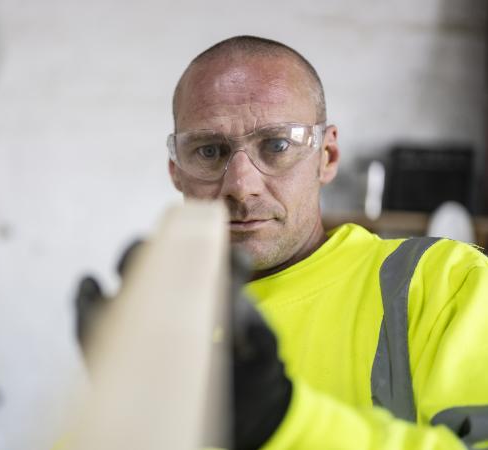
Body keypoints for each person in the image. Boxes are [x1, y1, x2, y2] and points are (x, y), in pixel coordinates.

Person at [163, 35, 488, 449]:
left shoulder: (443, 284)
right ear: (177, 171)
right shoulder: (160, 319)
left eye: (277, 145)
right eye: (209, 151)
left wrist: (288, 423)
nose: (242, 187)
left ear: (327, 156)